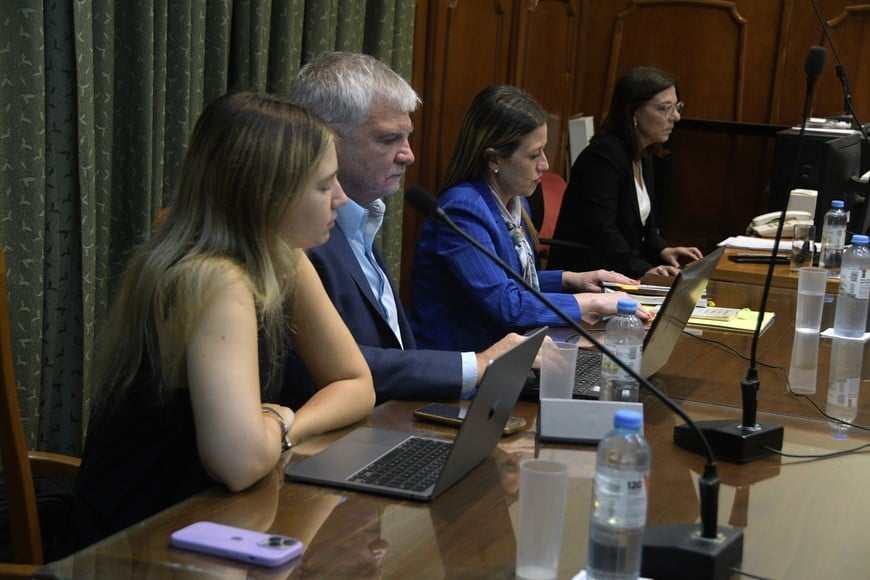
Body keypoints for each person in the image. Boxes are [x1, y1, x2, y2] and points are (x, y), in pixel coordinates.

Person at [71, 92, 375, 548]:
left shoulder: (282, 255)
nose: (341, 199)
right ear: (267, 194)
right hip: (141, 541)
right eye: (324, 185)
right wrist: (276, 426)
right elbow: (237, 462)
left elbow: (356, 383)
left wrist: (285, 423)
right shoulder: (215, 278)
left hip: (211, 521)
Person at [286, 51, 527, 405]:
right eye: (388, 140)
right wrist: (476, 365)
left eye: (408, 136)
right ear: (326, 139)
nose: (408, 155)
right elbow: (326, 366)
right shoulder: (302, 237)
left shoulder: (362, 217)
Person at [410, 85, 649, 353]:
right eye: (534, 155)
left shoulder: (516, 200)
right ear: (494, 159)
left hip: (509, 354)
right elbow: (505, 303)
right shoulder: (463, 209)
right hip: (460, 364)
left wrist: (570, 279)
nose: (545, 164)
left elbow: (509, 280)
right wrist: (589, 303)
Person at [548, 66, 703, 278]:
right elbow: (603, 233)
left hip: (620, 271)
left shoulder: (643, 153)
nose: (675, 117)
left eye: (677, 107)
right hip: (587, 276)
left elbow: (644, 225)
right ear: (633, 111)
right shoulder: (603, 157)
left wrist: (662, 250)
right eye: (664, 108)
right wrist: (645, 270)